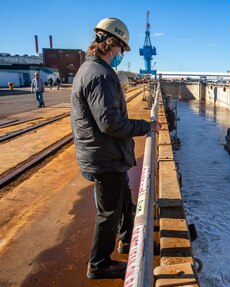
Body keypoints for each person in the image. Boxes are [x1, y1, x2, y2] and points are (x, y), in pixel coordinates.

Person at [70, 17, 161, 280]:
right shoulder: (99, 75)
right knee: (108, 212)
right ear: (113, 44)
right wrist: (146, 126)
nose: (121, 55)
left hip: (106, 154)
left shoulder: (92, 70)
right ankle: (99, 264)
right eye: (121, 49)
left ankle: (126, 241)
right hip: (104, 156)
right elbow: (110, 123)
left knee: (123, 203)